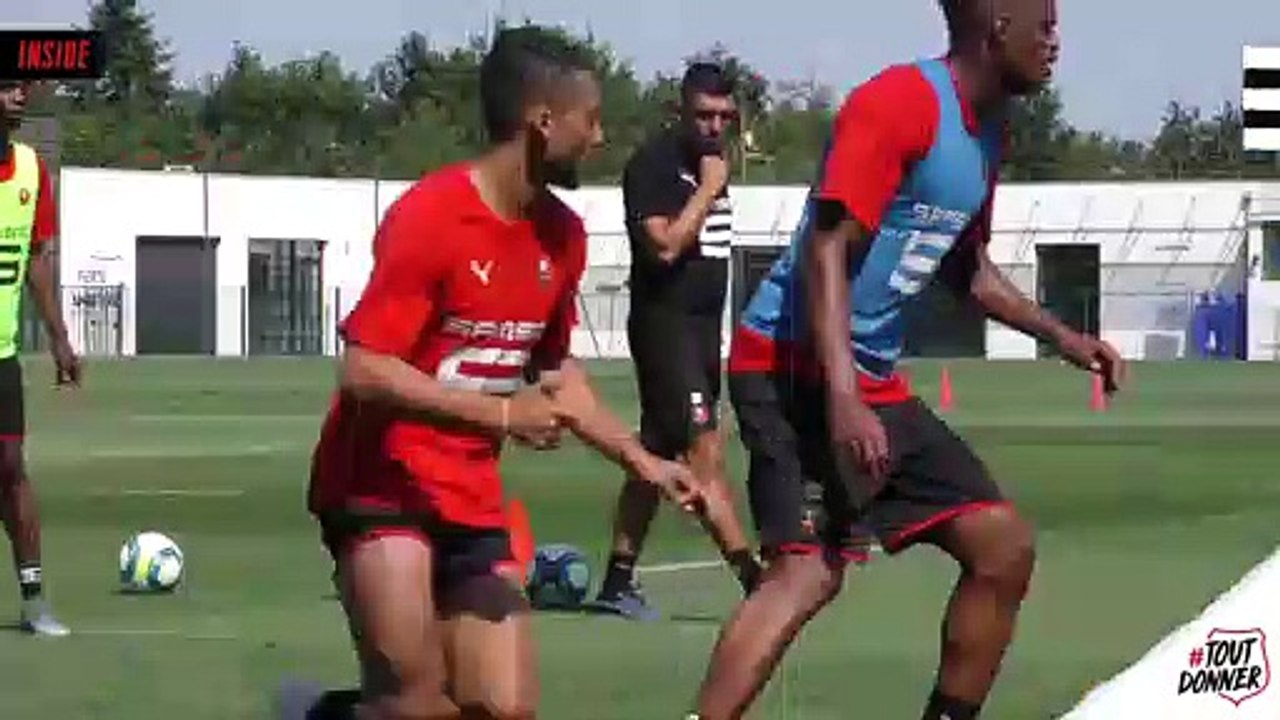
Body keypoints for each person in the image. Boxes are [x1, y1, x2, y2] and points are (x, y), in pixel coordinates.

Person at [686, 1, 1126, 719]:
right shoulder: (898, 103)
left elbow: (968, 271)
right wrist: (843, 398)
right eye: (1043, 25)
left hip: (868, 378)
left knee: (1002, 547)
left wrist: (1064, 338)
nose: (1055, 42)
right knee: (806, 570)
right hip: (789, 363)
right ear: (996, 30)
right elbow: (824, 252)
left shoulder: (989, 136)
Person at [301, 27, 702, 720]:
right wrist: (503, 416)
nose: (600, 137)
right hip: (379, 487)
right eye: (591, 119)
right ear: (543, 122)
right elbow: (363, 368)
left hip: (469, 497)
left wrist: (642, 462)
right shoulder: (431, 215)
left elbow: (558, 376)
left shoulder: (564, 235)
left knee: (506, 709)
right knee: (415, 702)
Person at [593, 62, 761, 620]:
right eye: (704, 115)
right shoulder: (654, 166)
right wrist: (710, 190)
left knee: (656, 453)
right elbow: (665, 248)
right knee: (704, 453)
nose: (715, 126)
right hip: (666, 332)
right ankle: (755, 582)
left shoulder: (711, 164)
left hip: (701, 336)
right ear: (681, 111)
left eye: (724, 116)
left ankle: (617, 581)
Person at [0, 79, 78, 638]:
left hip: (1, 358)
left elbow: (37, 262)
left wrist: (59, 339)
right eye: (5, 87)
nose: (19, 95)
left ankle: (33, 601)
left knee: (10, 471)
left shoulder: (31, 172)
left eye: (21, 86)